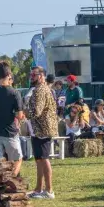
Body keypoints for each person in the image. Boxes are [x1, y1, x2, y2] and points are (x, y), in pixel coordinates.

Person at [26, 66, 58, 200]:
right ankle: (38, 189)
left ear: (41, 76)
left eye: (34, 75)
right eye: (31, 75)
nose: (31, 77)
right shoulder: (40, 89)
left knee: (44, 159)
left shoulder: (40, 90)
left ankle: (49, 190)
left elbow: (36, 111)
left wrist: (22, 112)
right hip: (38, 129)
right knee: (39, 159)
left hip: (43, 129)